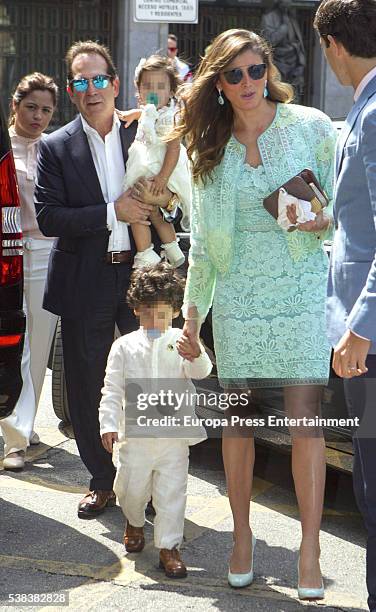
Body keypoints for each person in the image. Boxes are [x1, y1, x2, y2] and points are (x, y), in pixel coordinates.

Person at [174, 28, 337, 598]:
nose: (247, 83)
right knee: (237, 428)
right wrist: (192, 318)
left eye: (255, 70)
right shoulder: (209, 152)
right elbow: (202, 250)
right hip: (239, 299)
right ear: (217, 84)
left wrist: (325, 220)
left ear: (269, 71)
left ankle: (310, 550)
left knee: (306, 425)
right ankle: (241, 537)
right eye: (233, 74)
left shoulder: (312, 127)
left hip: (298, 293)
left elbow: (345, 210)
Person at [34, 40, 177, 518]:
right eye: (81, 81)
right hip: (86, 277)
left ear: (116, 85)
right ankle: (102, 479)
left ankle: (151, 482)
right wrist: (111, 211)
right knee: (88, 383)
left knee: (151, 377)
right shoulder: (55, 147)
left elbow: (173, 170)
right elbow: (50, 217)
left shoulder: (142, 128)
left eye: (99, 80)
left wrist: (163, 204)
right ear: (72, 90)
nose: (91, 89)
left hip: (143, 275)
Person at [314, 1, 376, 609]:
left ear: (332, 45)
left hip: (372, 337)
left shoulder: (375, 111)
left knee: (373, 482)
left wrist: (361, 328)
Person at [99, 263, 212, 578]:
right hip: (134, 439)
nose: (154, 321)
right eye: (147, 313)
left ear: (175, 312)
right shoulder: (123, 347)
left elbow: (201, 372)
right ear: (135, 310)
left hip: (173, 439)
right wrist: (108, 424)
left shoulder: (181, 342)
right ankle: (134, 521)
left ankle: (168, 546)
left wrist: (196, 354)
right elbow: (111, 389)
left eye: (162, 314)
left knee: (172, 493)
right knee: (130, 490)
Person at [1, 73, 58, 471]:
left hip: (44, 253)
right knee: (10, 345)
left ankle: (18, 435)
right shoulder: (3, 144)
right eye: (31, 107)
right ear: (15, 105)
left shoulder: (54, 149)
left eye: (46, 110)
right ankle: (14, 426)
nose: (38, 116)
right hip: (7, 254)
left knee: (36, 347)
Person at [122, 55, 191, 268]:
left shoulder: (172, 117)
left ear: (171, 91)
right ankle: (153, 251)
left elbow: (172, 149)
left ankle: (164, 247)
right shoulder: (148, 112)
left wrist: (163, 177)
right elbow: (144, 114)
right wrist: (132, 114)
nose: (154, 91)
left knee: (152, 206)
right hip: (144, 166)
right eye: (147, 86)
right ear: (138, 90)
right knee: (141, 208)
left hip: (163, 169)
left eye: (161, 86)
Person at [261, 0, 306, 99]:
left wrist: (300, 60)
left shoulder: (291, 18)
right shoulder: (268, 17)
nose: (288, 3)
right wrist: (283, 27)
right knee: (278, 92)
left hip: (294, 61)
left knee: (295, 93)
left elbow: (298, 41)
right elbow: (269, 41)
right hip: (278, 62)